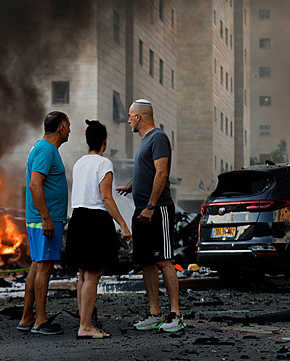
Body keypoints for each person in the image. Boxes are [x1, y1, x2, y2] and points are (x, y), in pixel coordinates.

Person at [116, 99, 185, 333]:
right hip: (142, 210)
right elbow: (148, 171)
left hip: (158, 209)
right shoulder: (146, 141)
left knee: (164, 260)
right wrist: (131, 185)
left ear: (138, 117)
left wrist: (151, 205)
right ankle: (155, 314)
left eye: (129, 116)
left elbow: (162, 172)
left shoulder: (158, 138)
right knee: (146, 262)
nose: (127, 121)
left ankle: (176, 315)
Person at [66, 119, 131, 339]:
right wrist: (123, 224)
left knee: (83, 275)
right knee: (92, 276)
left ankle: (85, 322)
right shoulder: (104, 164)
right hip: (95, 221)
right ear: (104, 142)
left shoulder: (79, 163)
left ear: (86, 140)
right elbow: (105, 197)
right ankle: (85, 326)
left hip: (77, 218)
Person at [17, 111, 70, 335]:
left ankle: (27, 317)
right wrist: (46, 217)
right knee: (44, 267)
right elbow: (35, 185)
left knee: (37, 265)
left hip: (42, 218)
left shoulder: (42, 148)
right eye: (68, 126)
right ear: (61, 128)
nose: (70, 130)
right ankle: (40, 320)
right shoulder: (47, 150)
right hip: (44, 220)